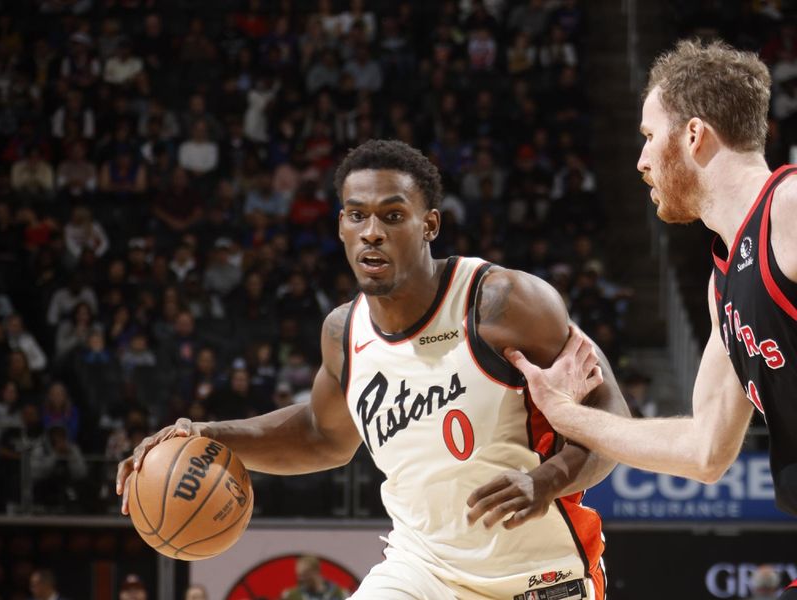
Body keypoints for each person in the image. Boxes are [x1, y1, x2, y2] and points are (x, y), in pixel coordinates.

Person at [118, 140, 628, 599]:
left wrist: (546, 481)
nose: (372, 233)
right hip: (422, 571)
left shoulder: (503, 303)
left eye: (392, 215)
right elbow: (323, 436)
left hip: (539, 576)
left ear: (429, 224)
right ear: (340, 225)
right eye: (357, 216)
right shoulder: (344, 334)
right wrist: (208, 437)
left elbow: (614, 420)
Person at [504, 40, 797, 598]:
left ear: (692, 135)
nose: (639, 161)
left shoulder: (790, 209)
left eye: (647, 136)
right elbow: (704, 452)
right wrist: (565, 415)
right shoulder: (724, 284)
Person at [281, 555, 347, 600]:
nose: (301, 579)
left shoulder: (340, 594)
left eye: (305, 575)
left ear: (316, 571)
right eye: (299, 575)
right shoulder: (292, 596)